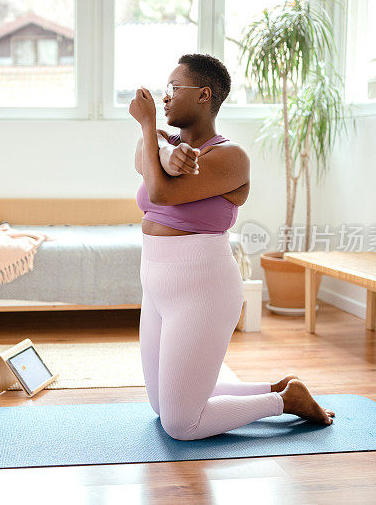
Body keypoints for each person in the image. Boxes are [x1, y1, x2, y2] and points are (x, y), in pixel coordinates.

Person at [129, 53, 335, 440]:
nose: (166, 97)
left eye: (174, 88)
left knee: (180, 425)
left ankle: (285, 403)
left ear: (204, 95)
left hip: (202, 289)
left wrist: (148, 123)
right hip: (155, 283)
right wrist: (161, 146)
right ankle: (278, 388)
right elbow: (141, 156)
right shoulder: (170, 149)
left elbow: (159, 192)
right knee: (160, 405)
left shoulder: (230, 157)